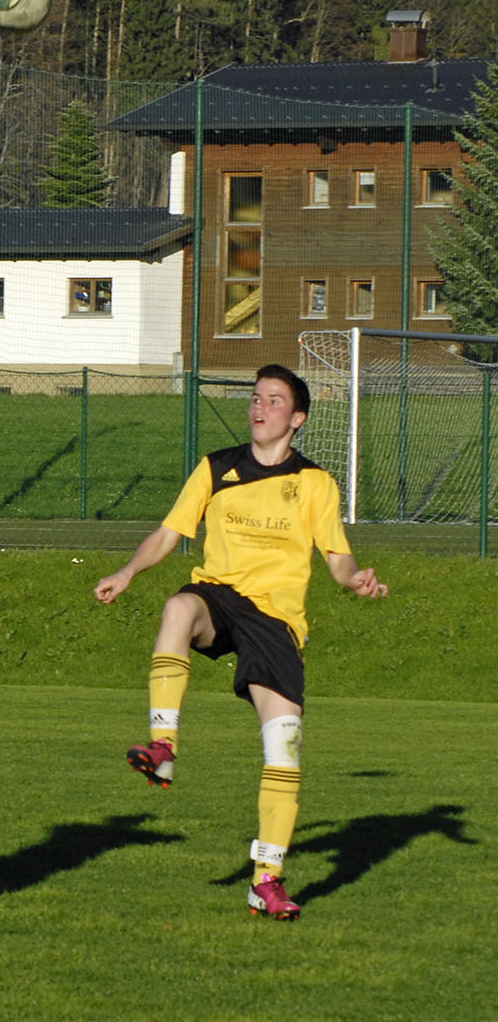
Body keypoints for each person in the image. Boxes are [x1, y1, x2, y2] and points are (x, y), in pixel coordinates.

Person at [94, 364, 388, 922]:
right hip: (221, 598)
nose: (259, 407)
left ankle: (266, 881)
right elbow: (168, 533)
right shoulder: (216, 468)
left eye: (274, 400)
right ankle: (163, 747)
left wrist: (354, 579)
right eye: (255, 397)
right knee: (179, 606)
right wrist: (128, 571)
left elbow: (337, 555)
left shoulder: (316, 484)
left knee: (285, 749)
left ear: (297, 419)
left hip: (276, 621)